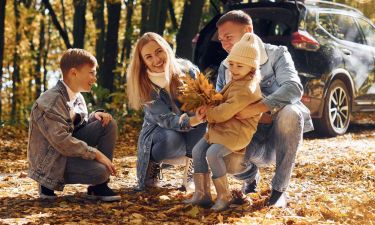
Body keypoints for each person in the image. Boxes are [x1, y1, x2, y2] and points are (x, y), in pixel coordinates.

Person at [215, 10, 314, 207]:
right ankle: (250, 178)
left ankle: (279, 192)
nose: (225, 44)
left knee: (291, 113)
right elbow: (220, 104)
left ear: (248, 31)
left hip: (280, 136)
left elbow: (294, 88)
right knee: (225, 158)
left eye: (228, 37)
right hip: (249, 136)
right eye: (221, 39)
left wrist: (258, 109)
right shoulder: (225, 66)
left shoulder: (277, 54)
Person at [27, 48, 121, 202]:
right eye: (91, 73)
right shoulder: (50, 102)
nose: (94, 78)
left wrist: (93, 118)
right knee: (101, 171)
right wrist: (97, 154)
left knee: (107, 124)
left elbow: (76, 127)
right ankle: (47, 184)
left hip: (65, 152)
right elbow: (62, 140)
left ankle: (99, 186)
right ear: (74, 73)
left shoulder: (77, 97)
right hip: (50, 161)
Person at [184, 33, 263, 212]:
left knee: (213, 154)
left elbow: (225, 111)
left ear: (252, 67)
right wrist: (207, 105)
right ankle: (202, 193)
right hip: (222, 128)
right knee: (197, 151)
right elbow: (221, 102)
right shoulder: (237, 80)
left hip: (236, 132)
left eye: (239, 65)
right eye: (232, 64)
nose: (233, 68)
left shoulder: (248, 88)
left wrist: (209, 113)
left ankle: (224, 195)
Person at [126, 32, 206, 192]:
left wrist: (202, 114)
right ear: (143, 62)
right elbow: (167, 120)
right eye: (148, 57)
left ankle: (191, 173)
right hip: (162, 136)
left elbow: (205, 97)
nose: (156, 60)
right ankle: (152, 164)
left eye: (158, 51)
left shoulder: (187, 70)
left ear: (166, 49)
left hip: (193, 133)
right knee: (171, 138)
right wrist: (194, 120)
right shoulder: (144, 85)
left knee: (204, 124)